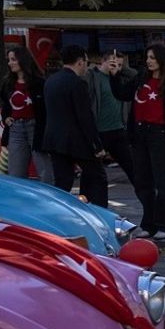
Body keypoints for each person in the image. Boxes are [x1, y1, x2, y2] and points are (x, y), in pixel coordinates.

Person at [109, 43, 165, 239]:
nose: (149, 61)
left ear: (162, 59)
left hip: (159, 135)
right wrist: (115, 75)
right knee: (142, 181)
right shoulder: (141, 78)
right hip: (139, 134)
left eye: (152, 57)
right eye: (148, 58)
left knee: (162, 182)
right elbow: (122, 94)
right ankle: (148, 223)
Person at [43, 44, 108, 207]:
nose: (87, 66)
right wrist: (96, 145)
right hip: (77, 141)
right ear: (80, 62)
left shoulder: (50, 81)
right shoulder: (77, 83)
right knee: (97, 177)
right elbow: (85, 116)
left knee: (62, 182)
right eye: (86, 61)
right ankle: (98, 214)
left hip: (54, 140)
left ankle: (60, 215)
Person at [0, 46, 50, 182]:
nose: (10, 63)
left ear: (23, 60)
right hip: (16, 128)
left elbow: (45, 108)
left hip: (36, 128)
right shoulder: (8, 83)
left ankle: (48, 199)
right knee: (15, 173)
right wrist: (6, 118)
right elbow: (5, 104)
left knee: (45, 171)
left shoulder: (39, 83)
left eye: (13, 59)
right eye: (9, 60)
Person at [88, 49, 136, 187]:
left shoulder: (120, 77)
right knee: (94, 172)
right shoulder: (93, 77)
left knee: (133, 167)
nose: (116, 67)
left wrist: (120, 68)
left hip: (119, 129)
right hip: (99, 131)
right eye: (113, 63)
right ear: (103, 61)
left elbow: (135, 75)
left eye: (120, 65)